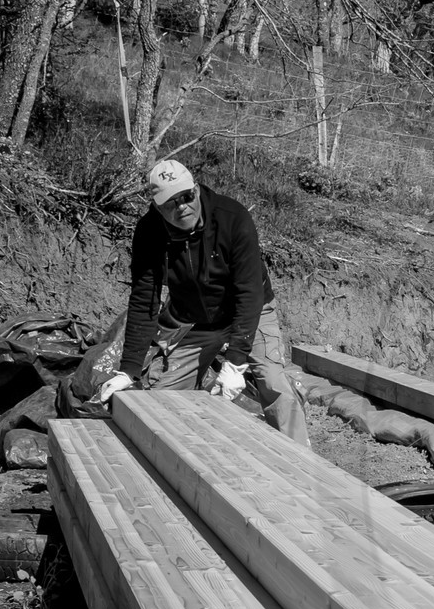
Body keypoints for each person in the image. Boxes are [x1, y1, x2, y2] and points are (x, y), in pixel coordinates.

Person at [97, 158, 309, 445]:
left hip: (246, 311)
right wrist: (129, 369)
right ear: (158, 208)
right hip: (195, 318)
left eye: (186, 196)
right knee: (163, 399)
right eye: (171, 203)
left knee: (273, 382)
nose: (182, 206)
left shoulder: (232, 218)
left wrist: (234, 363)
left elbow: (249, 292)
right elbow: (145, 298)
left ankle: (301, 460)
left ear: (196, 189)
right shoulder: (149, 232)